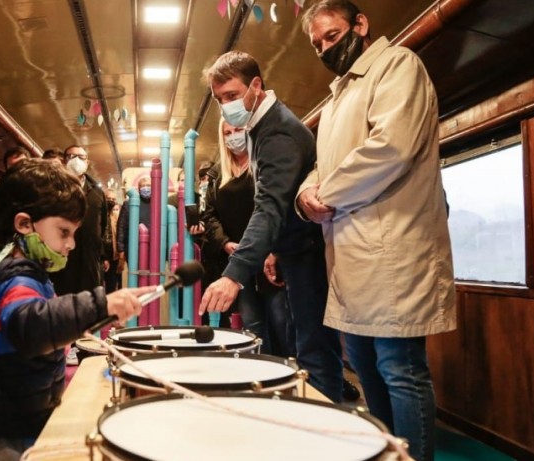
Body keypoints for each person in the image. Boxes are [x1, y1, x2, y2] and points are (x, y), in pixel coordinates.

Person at [296, 2, 456, 459]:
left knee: (400, 368)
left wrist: (326, 194)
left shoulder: (398, 66)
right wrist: (305, 197)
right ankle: (385, 453)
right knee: (364, 368)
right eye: (317, 44)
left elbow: (391, 147)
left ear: (361, 26)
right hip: (350, 253)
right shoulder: (337, 97)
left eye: (331, 36)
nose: (325, 48)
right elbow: (320, 169)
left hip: (393, 248)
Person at [0, 159, 152, 460]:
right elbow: (31, 327)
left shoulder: (5, 271)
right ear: (24, 224)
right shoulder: (18, 280)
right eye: (64, 232)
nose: (71, 244)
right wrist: (101, 304)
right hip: (7, 433)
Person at [199, 50, 344, 403]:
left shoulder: (277, 132)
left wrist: (233, 275)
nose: (226, 106)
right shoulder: (261, 128)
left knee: (312, 351)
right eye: (220, 101)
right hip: (291, 252)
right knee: (304, 345)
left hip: (307, 253)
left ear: (256, 86)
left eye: (232, 96)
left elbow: (270, 207)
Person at [195, 119, 294, 357]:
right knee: (252, 323)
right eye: (227, 133)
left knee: (282, 321)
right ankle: (261, 373)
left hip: (270, 256)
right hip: (239, 260)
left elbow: (277, 207)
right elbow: (210, 215)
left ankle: (287, 371)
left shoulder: (263, 163)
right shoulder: (218, 173)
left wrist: (273, 249)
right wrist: (225, 243)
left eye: (237, 130)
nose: (232, 136)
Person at [49, 145, 107, 297]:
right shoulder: (54, 188)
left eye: (81, 157)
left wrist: (100, 254)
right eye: (71, 156)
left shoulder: (96, 192)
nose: (76, 161)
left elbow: (103, 223)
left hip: (89, 257)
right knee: (63, 299)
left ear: (87, 162)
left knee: (88, 300)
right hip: (62, 256)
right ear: (64, 160)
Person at [116, 176, 152, 274]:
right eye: (143, 186)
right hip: (133, 248)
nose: (146, 188)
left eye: (148, 185)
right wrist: (121, 249)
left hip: (152, 249)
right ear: (138, 189)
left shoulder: (157, 204)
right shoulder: (128, 204)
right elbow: (121, 227)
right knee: (135, 277)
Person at [102, 189, 122, 293]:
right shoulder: (100, 215)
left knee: (111, 284)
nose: (111, 201)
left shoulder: (116, 216)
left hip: (113, 255)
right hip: (101, 255)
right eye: (108, 198)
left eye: (113, 199)